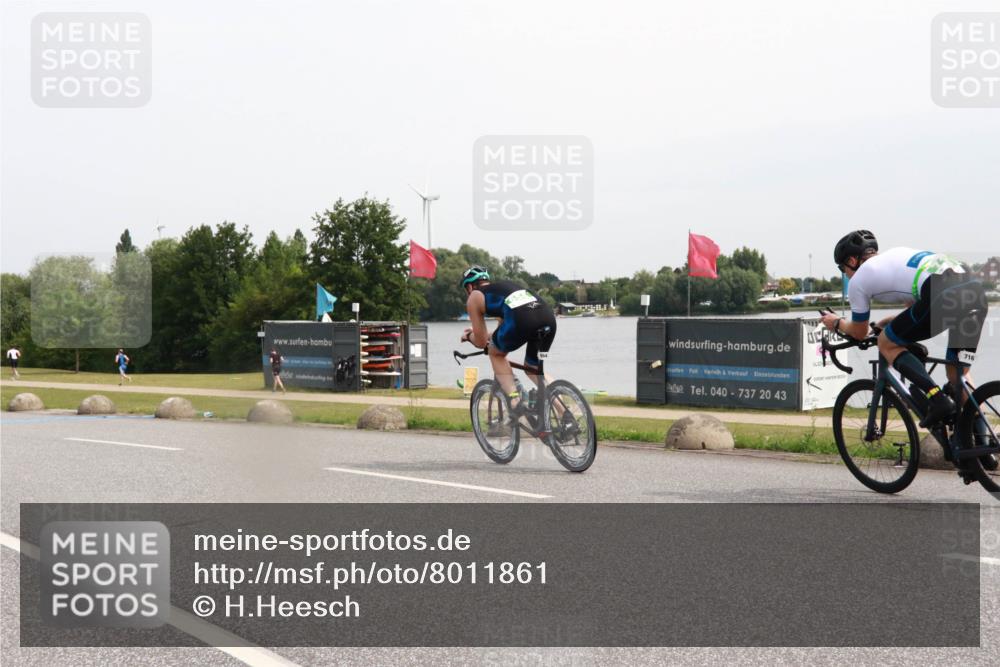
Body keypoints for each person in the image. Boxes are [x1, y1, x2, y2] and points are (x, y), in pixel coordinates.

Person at [821, 231, 989, 433]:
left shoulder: (859, 280)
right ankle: (984, 441)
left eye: (842, 268)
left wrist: (836, 322)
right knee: (958, 374)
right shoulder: (898, 256)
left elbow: (858, 331)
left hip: (941, 293)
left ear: (851, 261)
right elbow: (915, 314)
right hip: (974, 293)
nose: (845, 274)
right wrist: (884, 324)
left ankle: (937, 399)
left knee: (886, 343)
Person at [459, 266, 557, 415]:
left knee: (495, 353)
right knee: (534, 370)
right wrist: (489, 337)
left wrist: (468, 336)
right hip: (547, 319)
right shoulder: (504, 288)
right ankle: (565, 414)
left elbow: (481, 341)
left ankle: (514, 400)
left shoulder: (474, 297)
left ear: (470, 286)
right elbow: (501, 329)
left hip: (522, 320)